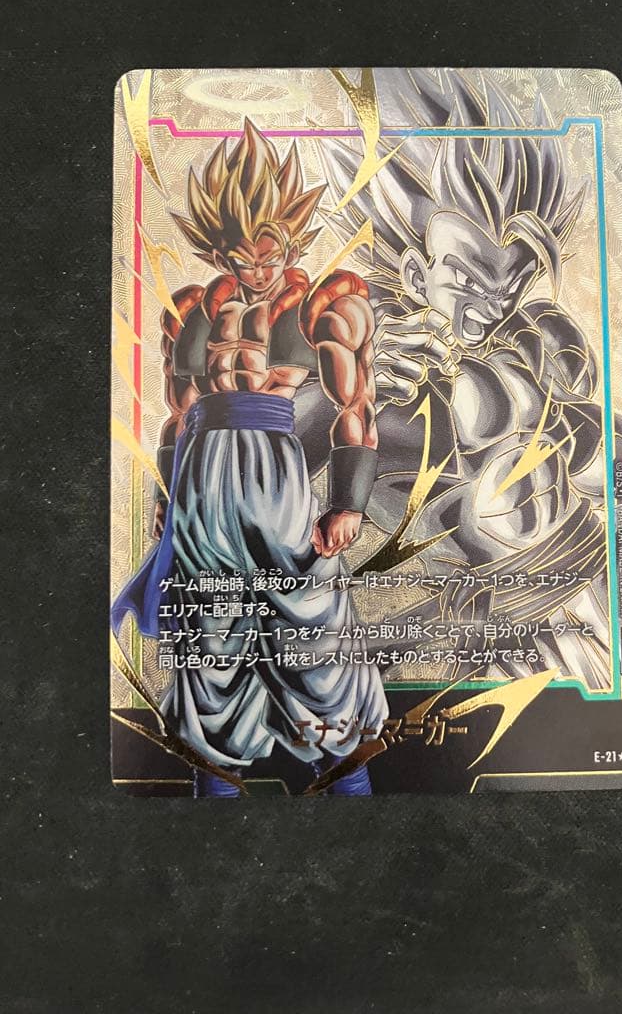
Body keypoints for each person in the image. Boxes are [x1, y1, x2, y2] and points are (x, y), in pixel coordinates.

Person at [112, 120, 387, 796]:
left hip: (276, 479)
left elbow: (355, 406)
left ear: (292, 240)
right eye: (241, 257)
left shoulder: (324, 305)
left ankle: (350, 790)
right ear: (219, 249)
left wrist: (347, 502)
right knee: (210, 637)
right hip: (202, 486)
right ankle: (214, 798)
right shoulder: (191, 312)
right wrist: (166, 499)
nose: (257, 270)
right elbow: (179, 416)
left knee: (312, 630)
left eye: (270, 254)